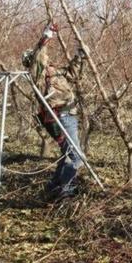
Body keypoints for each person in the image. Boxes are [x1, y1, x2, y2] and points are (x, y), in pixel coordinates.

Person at [21, 23, 87, 200]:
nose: (46, 59)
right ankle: (65, 189)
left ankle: (54, 186)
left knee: (67, 153)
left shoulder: (52, 73)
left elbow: (71, 74)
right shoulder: (38, 72)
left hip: (68, 114)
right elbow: (39, 53)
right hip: (62, 115)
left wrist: (80, 56)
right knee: (76, 157)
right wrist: (48, 34)